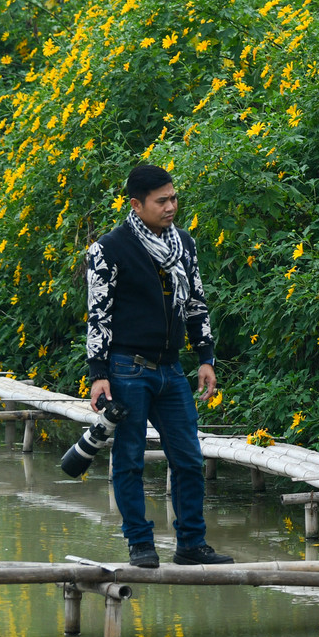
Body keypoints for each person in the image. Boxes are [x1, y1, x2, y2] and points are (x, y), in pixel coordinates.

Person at [86, 164, 233, 569]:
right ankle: (140, 543)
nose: (172, 206)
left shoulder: (183, 243)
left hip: (171, 369)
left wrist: (205, 358)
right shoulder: (109, 249)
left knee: (188, 458)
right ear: (137, 204)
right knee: (129, 459)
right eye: (161, 201)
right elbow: (98, 315)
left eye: (173, 198)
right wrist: (98, 374)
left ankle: (191, 544)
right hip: (126, 368)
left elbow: (196, 303)